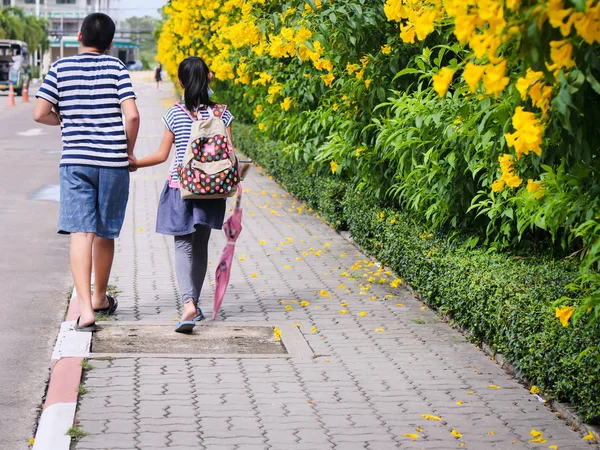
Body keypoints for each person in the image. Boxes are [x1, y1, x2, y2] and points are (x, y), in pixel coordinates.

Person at [33, 13, 140, 332]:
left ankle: (85, 310)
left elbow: (40, 112)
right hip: (112, 162)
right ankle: (99, 296)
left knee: (81, 233)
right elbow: (132, 116)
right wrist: (128, 151)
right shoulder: (116, 68)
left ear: (79, 36)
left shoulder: (60, 68)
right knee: (105, 233)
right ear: (110, 44)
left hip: (76, 162)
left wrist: (65, 119)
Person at [129, 56, 234, 333]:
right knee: (200, 246)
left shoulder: (176, 113)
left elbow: (163, 155)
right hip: (213, 190)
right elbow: (230, 155)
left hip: (182, 188)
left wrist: (135, 163)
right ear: (208, 78)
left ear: (181, 81)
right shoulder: (222, 113)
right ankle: (195, 306)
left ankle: (187, 303)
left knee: (182, 245)